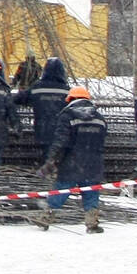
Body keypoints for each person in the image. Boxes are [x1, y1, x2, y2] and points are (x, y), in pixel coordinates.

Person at [37, 86, 108, 233]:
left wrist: (52, 161)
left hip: (71, 163)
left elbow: (60, 142)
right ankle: (91, 222)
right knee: (91, 192)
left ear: (70, 99)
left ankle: (45, 217)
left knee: (61, 191)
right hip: (93, 163)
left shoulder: (67, 116)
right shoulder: (99, 118)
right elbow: (101, 142)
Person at [13, 56, 70, 159]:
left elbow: (18, 99)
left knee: (45, 157)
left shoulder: (37, 88)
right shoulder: (66, 90)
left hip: (42, 130)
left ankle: (47, 170)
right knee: (61, 159)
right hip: (61, 133)